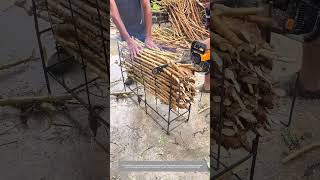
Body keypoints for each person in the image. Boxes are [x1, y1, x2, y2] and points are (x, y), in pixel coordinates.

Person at [110, 0, 159, 85]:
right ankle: (131, 74)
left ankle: (148, 75)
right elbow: (115, 15)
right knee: (129, 54)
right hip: (125, 27)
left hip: (141, 24)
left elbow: (147, 7)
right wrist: (128, 40)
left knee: (146, 52)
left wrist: (148, 37)